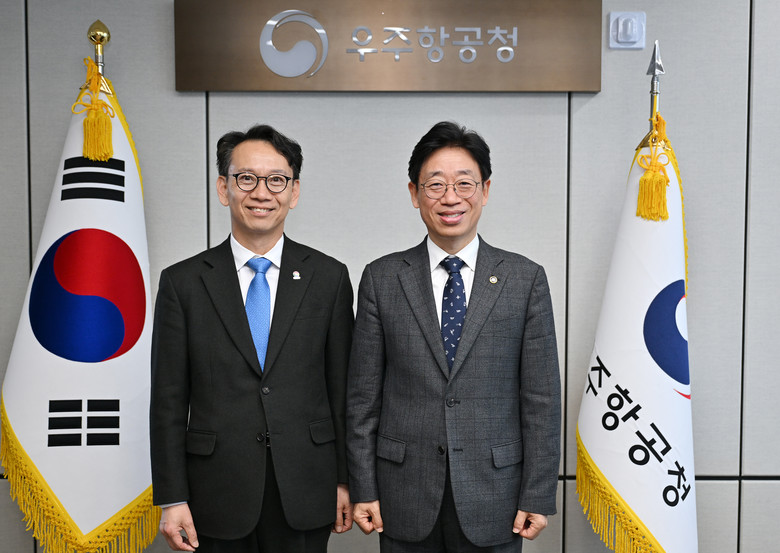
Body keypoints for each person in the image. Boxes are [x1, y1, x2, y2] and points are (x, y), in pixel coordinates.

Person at [347, 121, 561, 552]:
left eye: (464, 183)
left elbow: (541, 399)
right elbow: (362, 399)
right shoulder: (382, 278)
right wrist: (363, 486)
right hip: (403, 494)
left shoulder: (525, 279)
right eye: (435, 185)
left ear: (485, 190)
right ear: (414, 193)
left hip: (496, 496)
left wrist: (538, 494)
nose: (451, 197)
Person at [150, 124, 354, 553]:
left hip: (306, 486)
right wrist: (172, 497)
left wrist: (344, 479)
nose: (261, 192)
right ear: (223, 188)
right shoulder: (183, 283)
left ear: (294, 192)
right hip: (215, 491)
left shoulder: (329, 278)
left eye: (276, 180)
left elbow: (342, 391)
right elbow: (168, 401)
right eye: (246, 178)